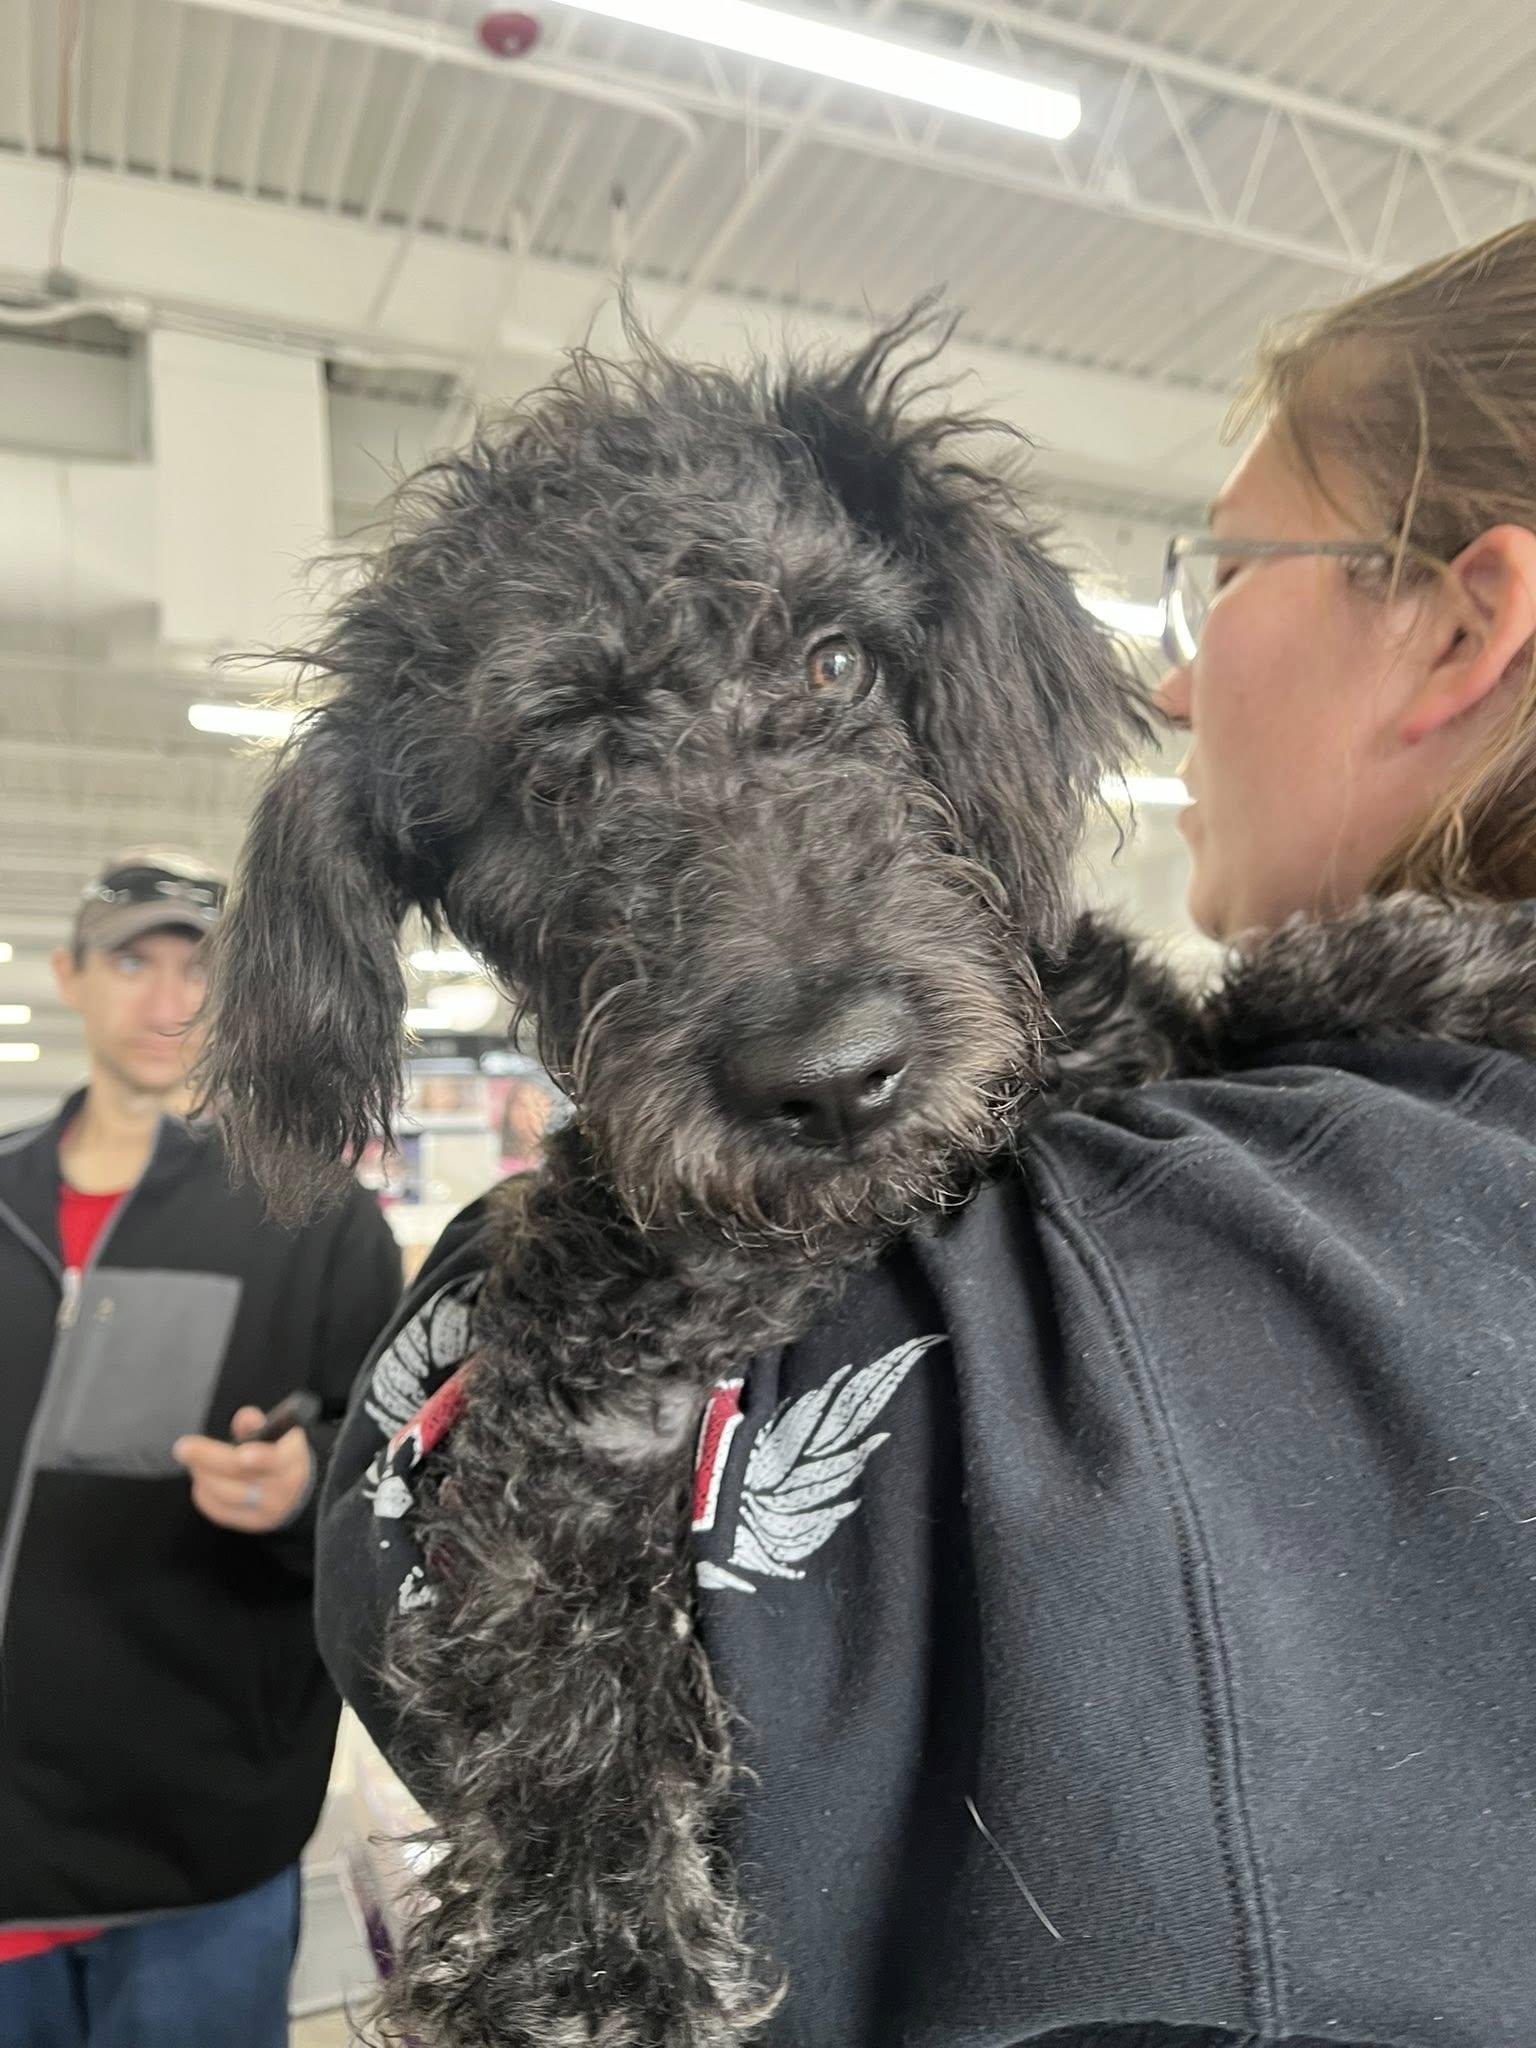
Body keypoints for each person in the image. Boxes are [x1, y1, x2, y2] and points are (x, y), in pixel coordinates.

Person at [316, 223, 1536, 2046]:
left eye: (1224, 578)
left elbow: (408, 1536)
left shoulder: (1201, 1267)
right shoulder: (1360, 1127)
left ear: (1459, 621)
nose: (1176, 678)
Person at [0, 850, 402, 2048]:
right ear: (72, 974)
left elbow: (391, 1472)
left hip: (195, 1829)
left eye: (198, 966)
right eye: (135, 960)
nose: (170, 996)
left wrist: (302, 1478)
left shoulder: (313, 1219)